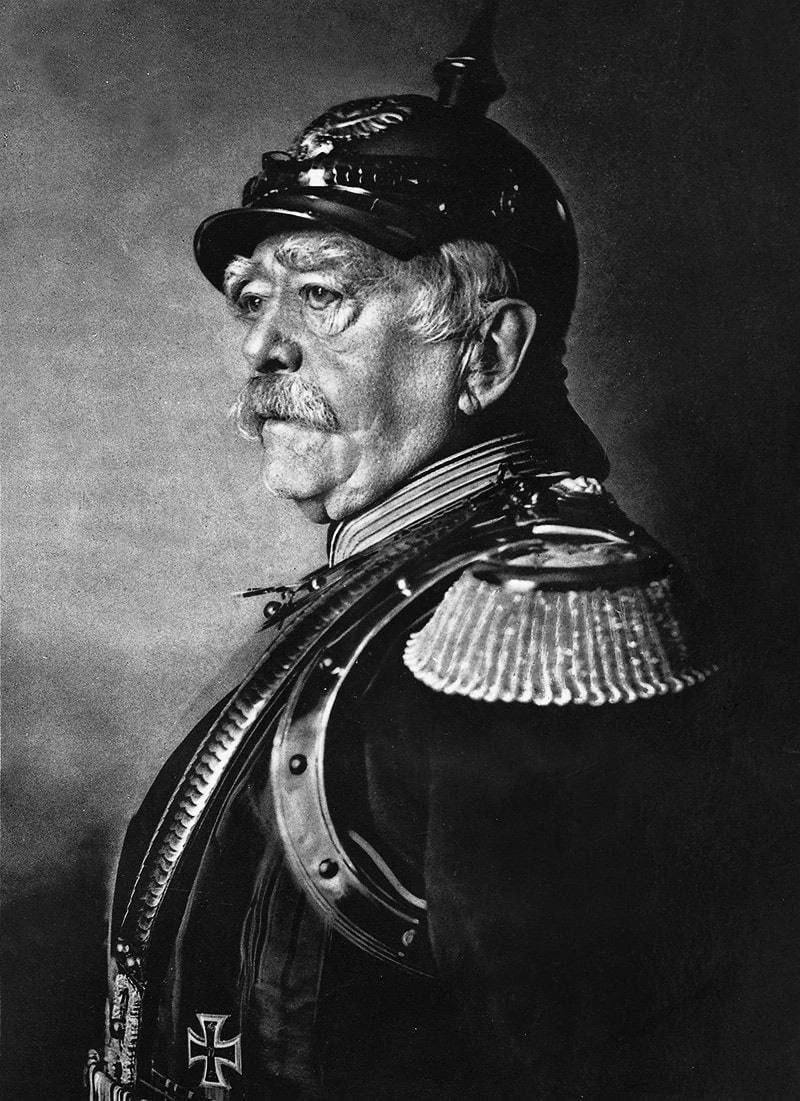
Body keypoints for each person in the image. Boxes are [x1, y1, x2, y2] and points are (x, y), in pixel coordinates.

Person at [87, 7, 743, 1099]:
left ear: (486, 353)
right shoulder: (383, 588)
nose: (263, 345)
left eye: (322, 295)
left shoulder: (544, 623)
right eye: (254, 301)